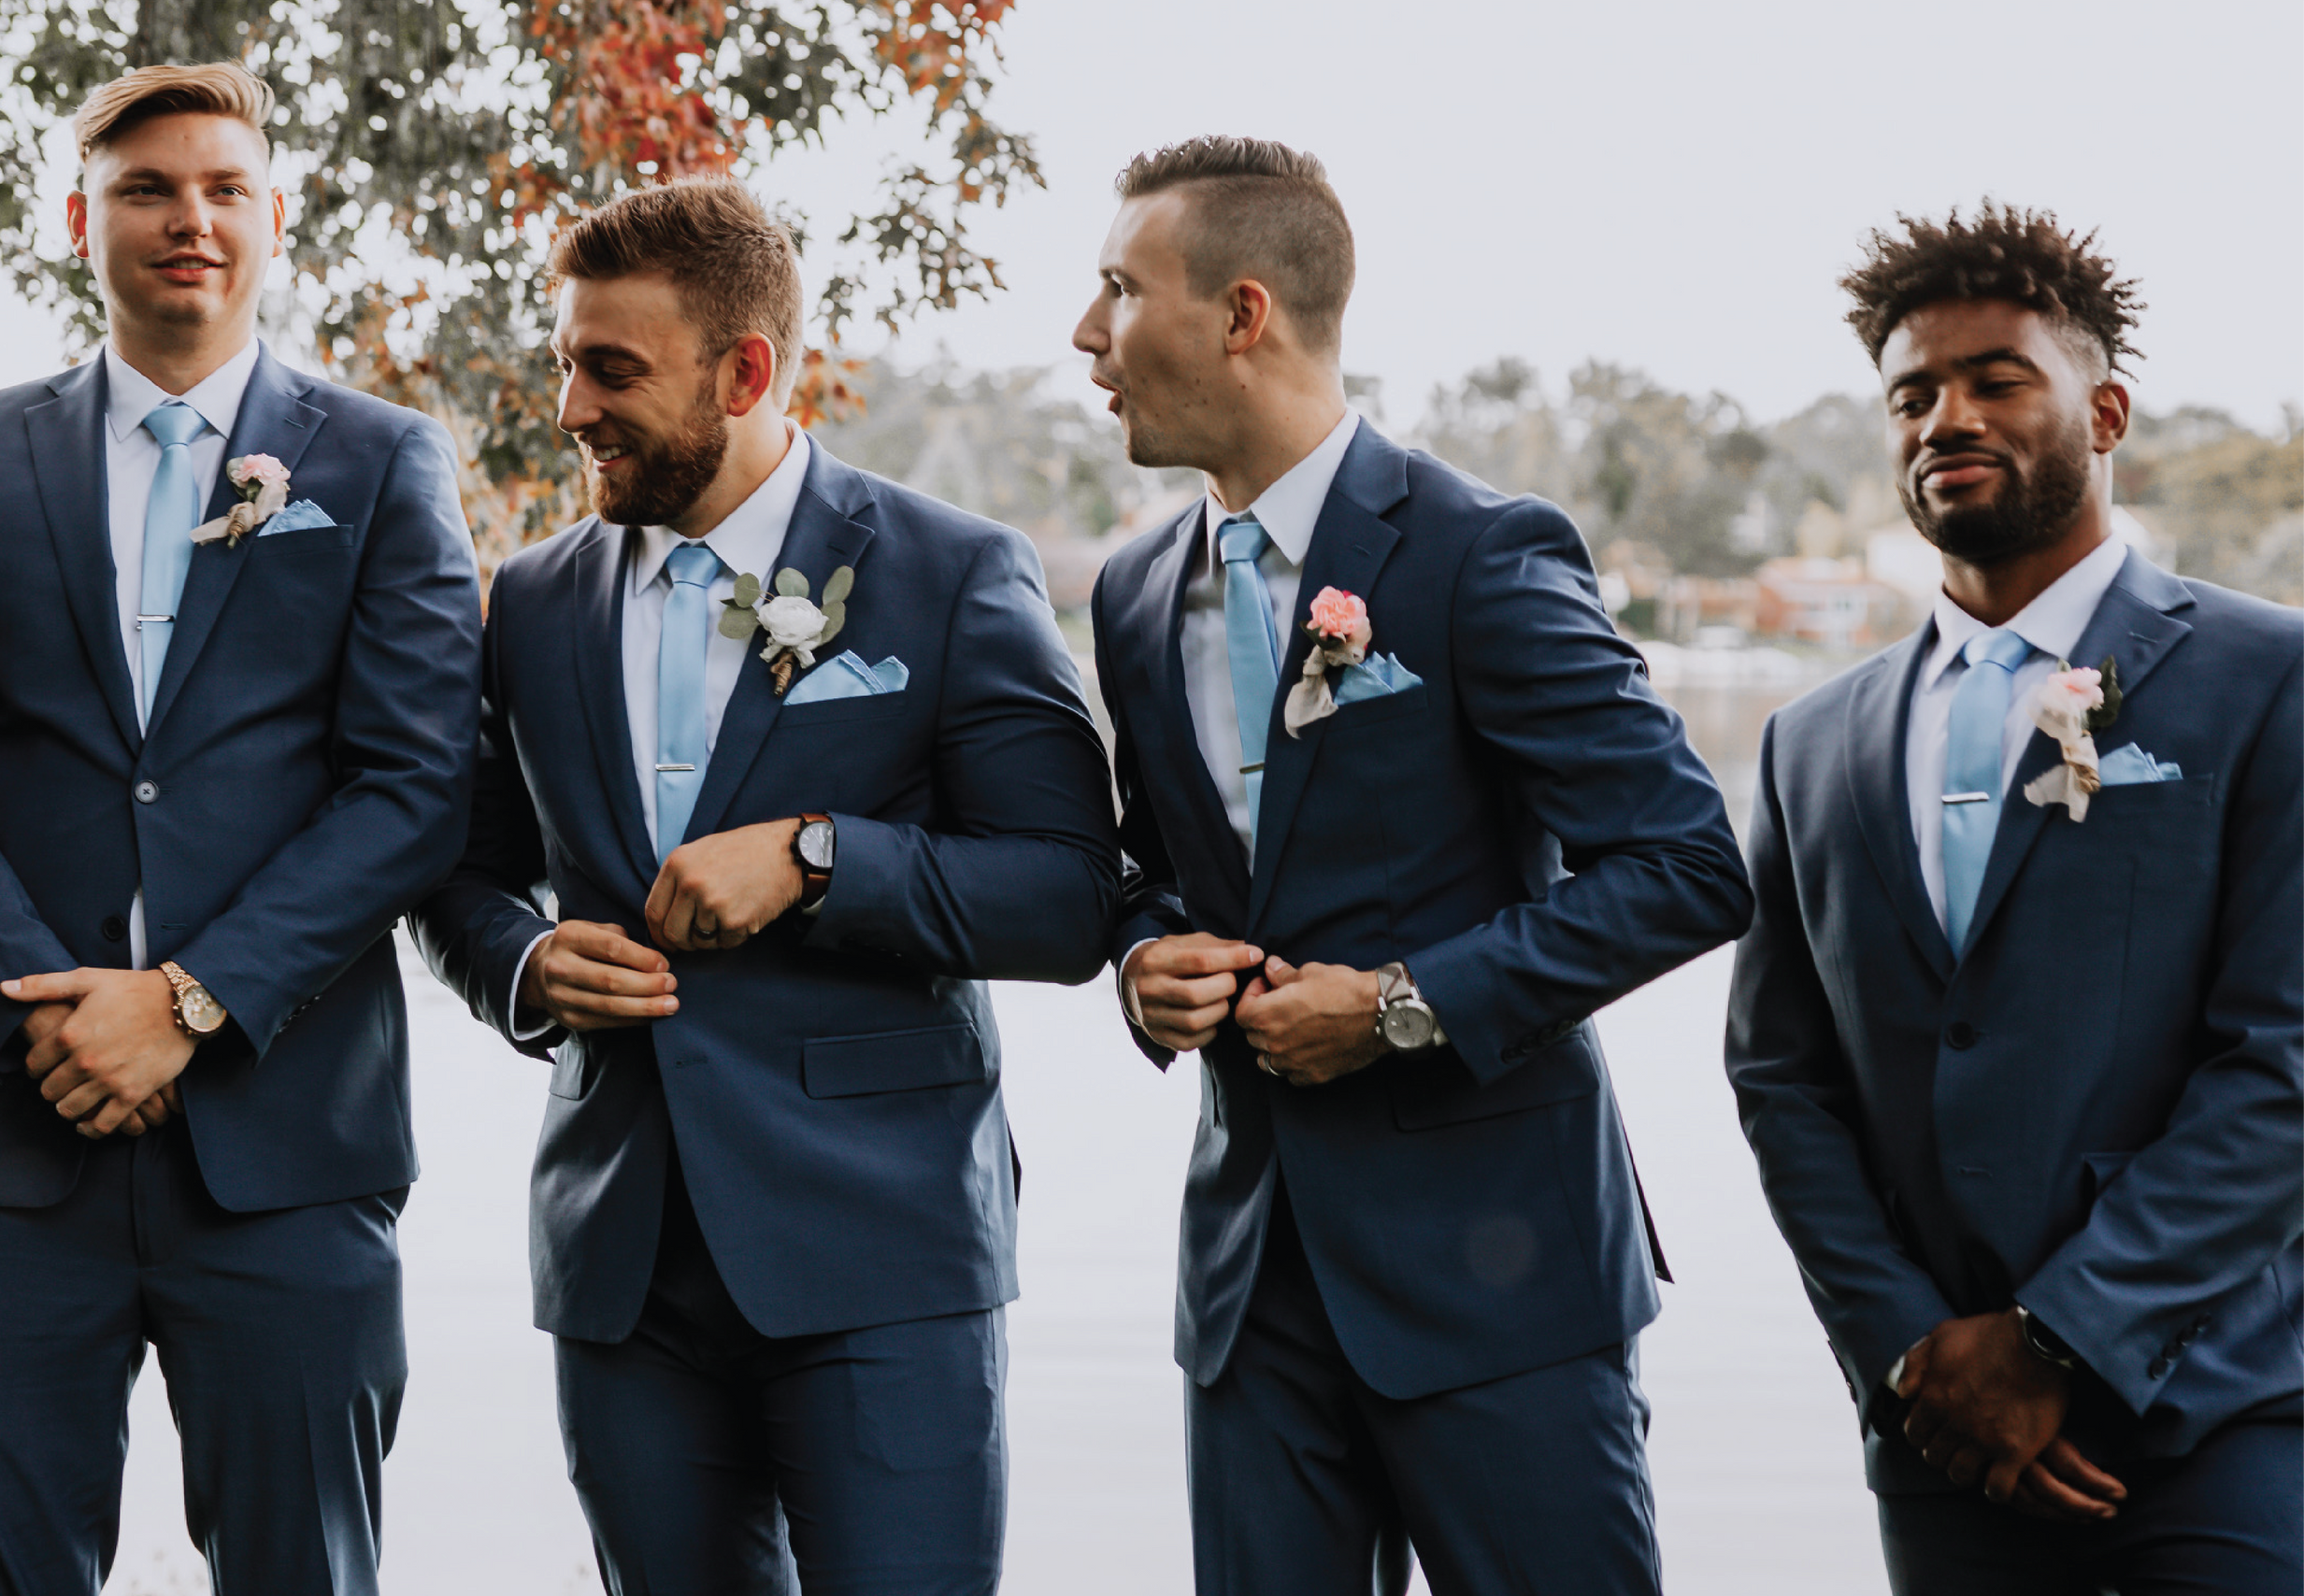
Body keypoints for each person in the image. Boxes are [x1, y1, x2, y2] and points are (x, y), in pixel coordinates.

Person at [411, 175, 1120, 1592]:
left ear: (744, 373)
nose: (571, 409)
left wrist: (819, 862)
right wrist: (526, 968)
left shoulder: (952, 572)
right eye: (565, 363)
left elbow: (1069, 896)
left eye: (613, 371)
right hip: (621, 1263)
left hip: (883, 1256)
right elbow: (462, 868)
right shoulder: (535, 600)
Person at [0, 61, 479, 1594]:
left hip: (288, 1143)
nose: (189, 219)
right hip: (6, 1147)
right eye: (145, 189)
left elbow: (412, 789)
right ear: (78, 220)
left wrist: (191, 1005)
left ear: (273, 216)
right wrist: (51, 1021)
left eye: (223, 188)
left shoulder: (383, 463)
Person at [1076, 135, 1750, 1593]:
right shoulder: (1132, 594)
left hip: (1498, 1277)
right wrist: (1145, 960)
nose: (1088, 335)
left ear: (1242, 313)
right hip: (1250, 1287)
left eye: (1120, 291)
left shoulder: (1478, 554)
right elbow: (1152, 870)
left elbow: (1693, 864)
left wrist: (1398, 1004)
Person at [1726, 204, 2304, 1592]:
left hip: (2216, 1410)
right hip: (1941, 1438)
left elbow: (2283, 1061)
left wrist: (2059, 1337)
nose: (1947, 419)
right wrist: (1913, 1351)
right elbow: (1780, 1077)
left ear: (2103, 412)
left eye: (1998, 381)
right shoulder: (1813, 744)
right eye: (1913, 395)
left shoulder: (2270, 680)